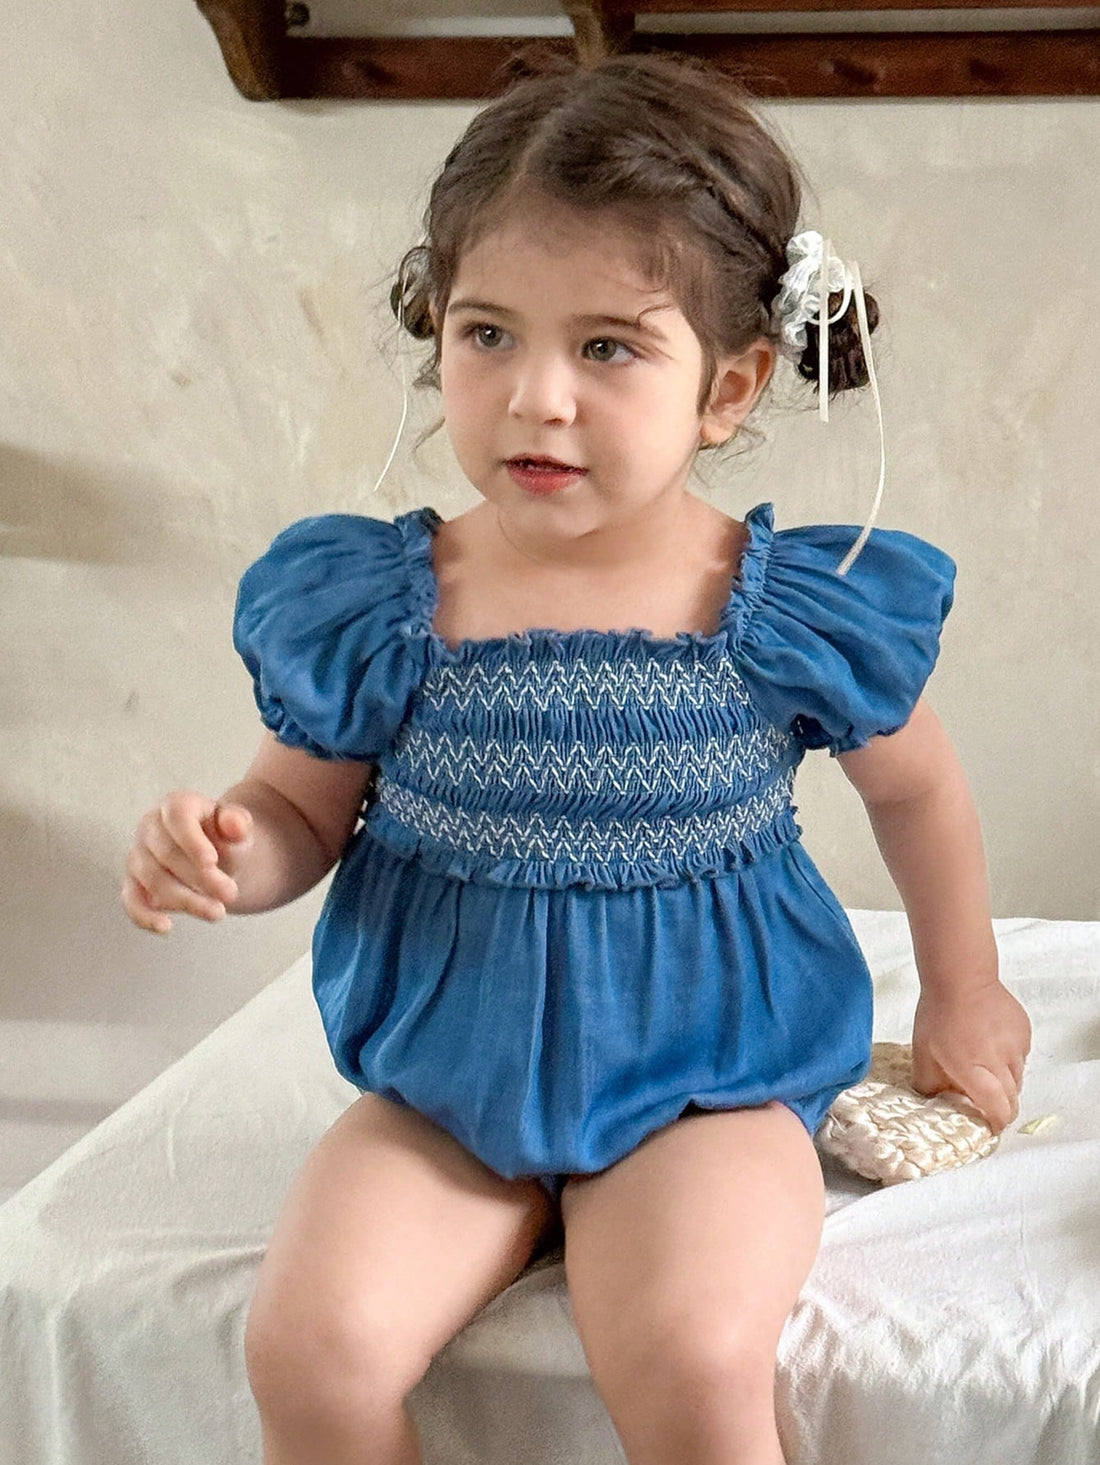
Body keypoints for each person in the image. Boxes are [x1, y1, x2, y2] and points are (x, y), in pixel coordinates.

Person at [121, 48, 1031, 1465]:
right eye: (489, 333)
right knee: (308, 1347)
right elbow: (298, 808)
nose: (537, 396)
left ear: (730, 386)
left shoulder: (777, 606)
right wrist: (229, 851)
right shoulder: (386, 599)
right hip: (445, 1085)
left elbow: (917, 789)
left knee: (686, 1357)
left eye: (608, 348)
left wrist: (967, 989)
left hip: (703, 1078)